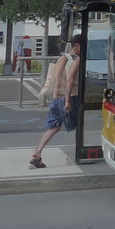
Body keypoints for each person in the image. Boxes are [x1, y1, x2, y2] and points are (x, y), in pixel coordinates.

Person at [29, 38, 82, 169]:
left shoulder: (62, 58)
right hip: (71, 96)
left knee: (54, 127)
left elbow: (57, 78)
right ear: (77, 45)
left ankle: (37, 153)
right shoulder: (77, 59)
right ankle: (82, 153)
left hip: (57, 97)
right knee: (80, 123)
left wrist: (55, 97)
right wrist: (68, 100)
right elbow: (70, 79)